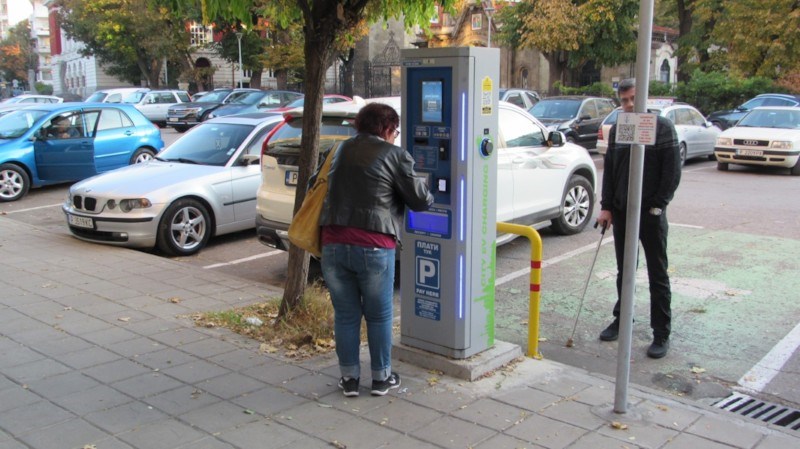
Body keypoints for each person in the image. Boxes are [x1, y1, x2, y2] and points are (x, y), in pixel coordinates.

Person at [319, 102, 433, 397]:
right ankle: (381, 378)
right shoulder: (394, 154)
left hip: (332, 243)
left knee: (346, 315)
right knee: (379, 315)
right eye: (395, 130)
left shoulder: (341, 149)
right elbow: (420, 200)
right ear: (387, 128)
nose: (395, 136)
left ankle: (349, 379)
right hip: (373, 245)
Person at [596, 78, 681, 359]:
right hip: (623, 212)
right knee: (625, 271)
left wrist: (657, 205)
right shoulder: (619, 128)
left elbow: (672, 172)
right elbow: (610, 170)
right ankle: (622, 319)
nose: (630, 104)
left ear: (645, 96)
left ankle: (661, 332)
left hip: (650, 214)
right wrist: (607, 206)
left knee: (657, 273)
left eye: (633, 98)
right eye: (624, 100)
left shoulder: (662, 127)